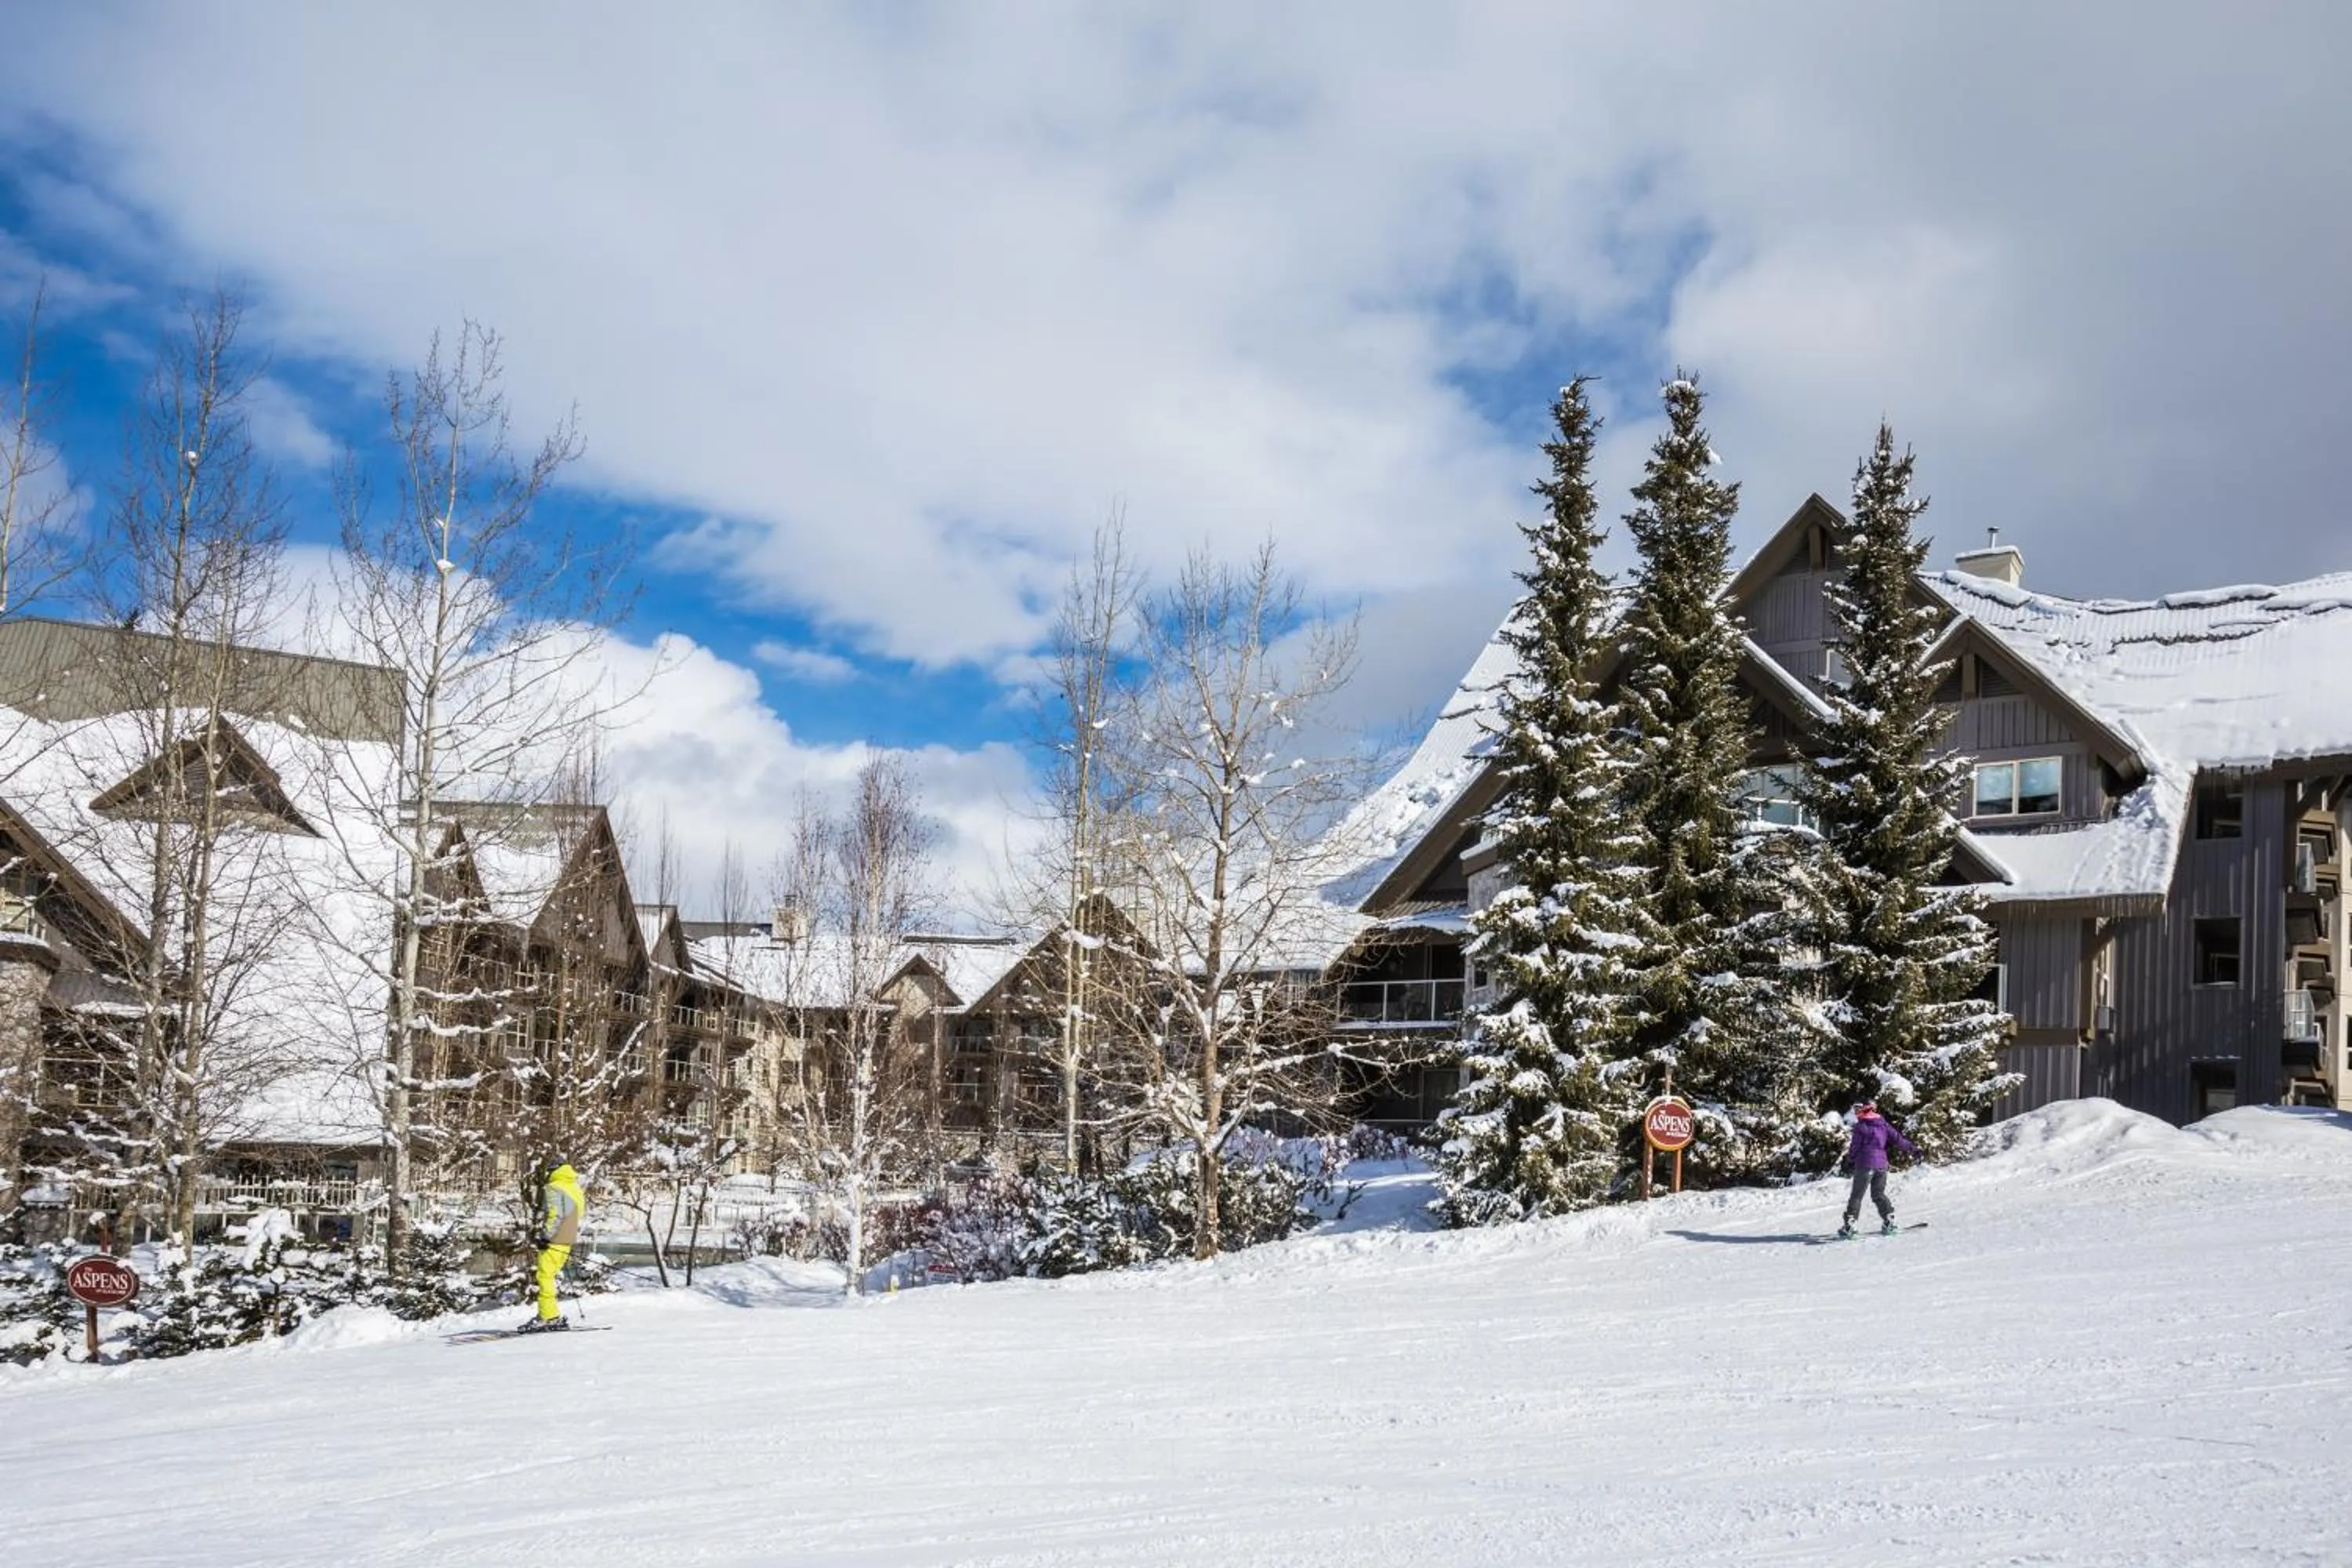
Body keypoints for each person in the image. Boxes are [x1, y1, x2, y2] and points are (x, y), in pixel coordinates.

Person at [520, 1157, 585, 1333]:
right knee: (550, 1276)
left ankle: (548, 1317)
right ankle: (551, 1314)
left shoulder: (554, 1187)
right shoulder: (575, 1187)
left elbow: (555, 1215)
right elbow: (579, 1212)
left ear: (554, 1170)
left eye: (549, 1171)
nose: (547, 1174)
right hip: (567, 1238)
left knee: (545, 1277)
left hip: (554, 1240)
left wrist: (546, 1237)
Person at [1838, 1102, 1918, 1239]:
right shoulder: (1883, 1124)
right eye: (1854, 1109)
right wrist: (1913, 1149)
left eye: (1857, 1109)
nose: (1856, 1113)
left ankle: (1850, 1225)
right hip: (1881, 1165)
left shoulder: (1861, 1127)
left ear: (1864, 1110)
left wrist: (1850, 1160)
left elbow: (1855, 1147)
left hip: (1864, 1165)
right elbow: (1898, 1139)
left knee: (1857, 1196)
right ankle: (1889, 1219)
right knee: (1878, 1194)